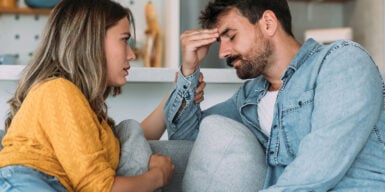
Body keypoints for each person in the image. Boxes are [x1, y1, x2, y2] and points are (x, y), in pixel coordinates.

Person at [163, 0, 385, 191]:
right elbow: (188, 138)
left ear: (268, 23)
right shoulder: (250, 96)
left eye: (230, 36)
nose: (222, 53)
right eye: (220, 43)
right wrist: (189, 70)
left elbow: (319, 167)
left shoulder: (341, 61)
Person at [0, 0, 205, 191]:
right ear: (91, 41)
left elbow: (131, 141)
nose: (132, 55)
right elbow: (99, 187)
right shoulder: (57, 90)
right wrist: (157, 176)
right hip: (26, 182)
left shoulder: (79, 106)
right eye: (124, 40)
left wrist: (180, 91)